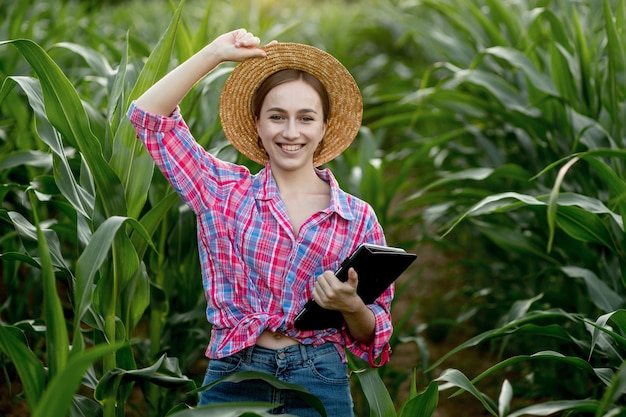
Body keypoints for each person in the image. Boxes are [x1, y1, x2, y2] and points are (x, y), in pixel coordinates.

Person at [127, 28, 393, 416]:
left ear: (323, 127)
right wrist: (214, 53)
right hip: (235, 374)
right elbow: (148, 118)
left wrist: (351, 306)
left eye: (306, 118)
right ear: (257, 123)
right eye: (276, 116)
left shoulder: (356, 217)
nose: (290, 132)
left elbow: (375, 330)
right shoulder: (222, 193)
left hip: (320, 379)